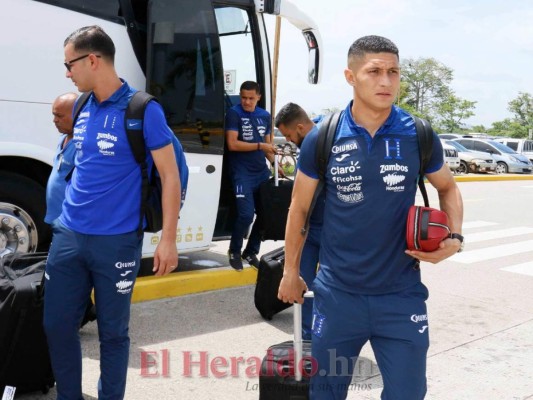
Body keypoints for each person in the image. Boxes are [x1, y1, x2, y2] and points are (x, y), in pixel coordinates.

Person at [278, 35, 464, 399]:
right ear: (350, 76)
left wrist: (454, 239)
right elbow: (299, 208)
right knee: (325, 393)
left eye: (393, 72)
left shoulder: (419, 134)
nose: (386, 81)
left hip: (401, 296)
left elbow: (449, 188)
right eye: (374, 71)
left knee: (408, 394)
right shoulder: (324, 137)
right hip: (337, 296)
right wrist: (290, 272)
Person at [43, 25, 182, 400]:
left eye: (69, 64)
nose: (67, 72)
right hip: (69, 237)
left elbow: (170, 177)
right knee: (56, 326)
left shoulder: (142, 110)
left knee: (113, 335)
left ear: (93, 59)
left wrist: (168, 240)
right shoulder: (83, 105)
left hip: (116, 243)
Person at [275, 102, 322, 340]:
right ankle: (308, 336)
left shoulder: (317, 142)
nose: (289, 140)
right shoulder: (325, 133)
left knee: (316, 285)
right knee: (305, 282)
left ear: (301, 127)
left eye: (289, 135)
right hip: (313, 227)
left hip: (322, 228)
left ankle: (311, 337)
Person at [225, 81, 276, 271]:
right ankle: (234, 251)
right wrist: (260, 146)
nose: (246, 102)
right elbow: (232, 144)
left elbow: (268, 146)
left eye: (250, 98)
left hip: (261, 173)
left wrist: (274, 163)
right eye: (243, 97)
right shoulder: (234, 113)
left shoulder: (264, 116)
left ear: (258, 98)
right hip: (241, 173)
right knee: (246, 215)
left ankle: (251, 251)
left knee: (266, 215)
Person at [45, 92, 78, 225]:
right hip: (55, 217)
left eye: (59, 116)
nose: (54, 120)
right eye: (54, 115)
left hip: (69, 222)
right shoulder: (63, 137)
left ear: (77, 115)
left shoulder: (80, 146)